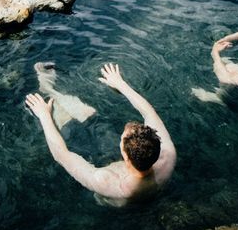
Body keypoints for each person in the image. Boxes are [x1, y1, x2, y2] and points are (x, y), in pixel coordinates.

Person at [25, 63, 176, 207]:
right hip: (130, 173)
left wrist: (44, 115)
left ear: (124, 153)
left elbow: (61, 155)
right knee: (92, 117)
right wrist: (120, 84)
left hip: (111, 189)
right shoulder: (168, 156)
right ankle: (52, 91)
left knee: (69, 124)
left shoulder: (107, 181)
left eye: (122, 138)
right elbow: (149, 112)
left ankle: (48, 93)